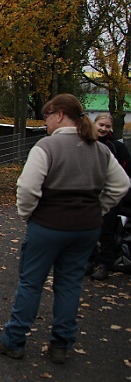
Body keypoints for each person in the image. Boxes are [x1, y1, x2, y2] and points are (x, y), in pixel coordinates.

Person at [0, 94, 128, 364]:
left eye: (47, 116)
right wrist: (98, 209)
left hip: (48, 226)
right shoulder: (100, 150)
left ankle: (14, 341)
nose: (46, 122)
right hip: (86, 229)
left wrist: (28, 214)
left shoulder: (47, 146)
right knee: (70, 284)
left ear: (60, 114)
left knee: (31, 283)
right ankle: (60, 344)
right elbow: (121, 184)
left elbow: (27, 187)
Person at [88, 112, 131, 280]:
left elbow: (127, 171)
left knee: (106, 231)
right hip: (89, 194)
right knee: (87, 229)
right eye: (101, 125)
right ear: (94, 124)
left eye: (107, 126)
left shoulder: (116, 147)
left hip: (110, 195)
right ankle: (88, 261)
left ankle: (104, 264)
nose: (103, 129)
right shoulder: (85, 143)